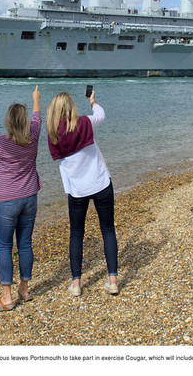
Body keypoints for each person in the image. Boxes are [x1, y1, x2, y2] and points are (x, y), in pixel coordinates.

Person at [0, 86, 43, 311]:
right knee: (25, 243)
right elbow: (37, 118)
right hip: (29, 197)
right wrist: (36, 98)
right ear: (24, 122)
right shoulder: (33, 136)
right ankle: (24, 289)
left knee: (5, 246)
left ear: (8, 122)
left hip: (6, 201)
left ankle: (7, 297)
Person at [47, 89, 119, 297]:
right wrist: (93, 102)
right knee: (108, 230)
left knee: (76, 234)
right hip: (101, 183)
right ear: (71, 107)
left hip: (77, 190)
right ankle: (112, 281)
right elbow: (101, 115)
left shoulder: (54, 135)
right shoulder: (84, 123)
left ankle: (77, 283)